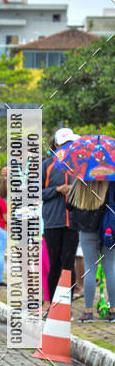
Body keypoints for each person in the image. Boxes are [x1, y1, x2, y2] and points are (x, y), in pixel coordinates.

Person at [41, 128, 79, 317]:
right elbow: (35, 192)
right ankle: (52, 307)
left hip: (73, 223)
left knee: (68, 265)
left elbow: (88, 191)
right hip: (52, 223)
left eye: (70, 143)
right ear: (56, 145)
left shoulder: (79, 166)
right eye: (64, 144)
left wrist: (74, 189)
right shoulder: (46, 165)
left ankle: (67, 309)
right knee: (55, 265)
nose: (68, 147)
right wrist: (57, 189)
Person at [66, 178, 115, 323]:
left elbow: (69, 205)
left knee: (90, 269)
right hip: (108, 230)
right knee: (110, 269)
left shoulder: (81, 180)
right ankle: (113, 311)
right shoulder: (110, 181)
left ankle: (88, 312)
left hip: (86, 229)